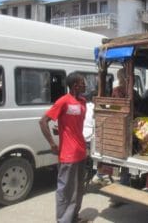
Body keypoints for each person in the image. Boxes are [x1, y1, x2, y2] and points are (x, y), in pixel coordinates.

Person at [39, 72, 88, 223]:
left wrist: (61, 129)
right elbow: (43, 122)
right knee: (65, 190)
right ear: (75, 86)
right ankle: (63, 220)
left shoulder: (83, 102)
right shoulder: (63, 101)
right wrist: (52, 144)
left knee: (79, 189)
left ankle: (74, 217)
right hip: (68, 154)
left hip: (81, 152)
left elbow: (72, 124)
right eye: (82, 82)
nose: (85, 85)